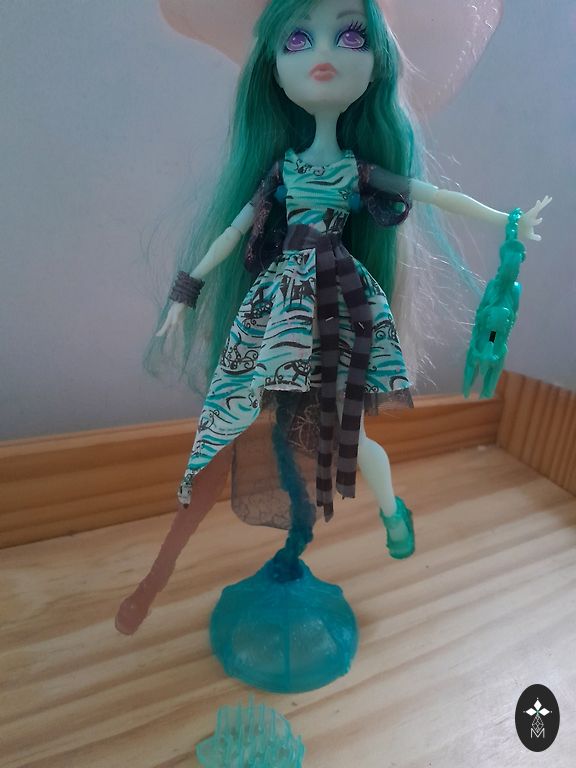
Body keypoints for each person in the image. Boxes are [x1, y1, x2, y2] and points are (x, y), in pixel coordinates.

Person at [115, 0, 549, 634]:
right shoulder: (282, 171)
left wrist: (506, 221)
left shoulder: (354, 171)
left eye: (349, 36)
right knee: (229, 426)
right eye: (298, 40)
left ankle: (390, 510)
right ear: (272, 62)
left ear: (378, 59)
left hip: (337, 306)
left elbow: (428, 194)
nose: (322, 54)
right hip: (277, 311)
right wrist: (185, 293)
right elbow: (233, 232)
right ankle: (159, 576)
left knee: (347, 432)